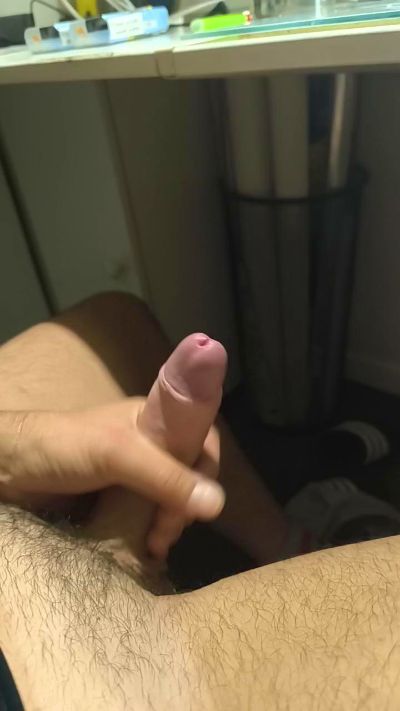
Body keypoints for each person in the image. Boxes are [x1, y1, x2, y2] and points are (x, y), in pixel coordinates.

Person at [0, 292, 399, 710]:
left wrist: (16, 446)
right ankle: (121, 565)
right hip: (65, 663)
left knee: (119, 323)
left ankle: (281, 543)